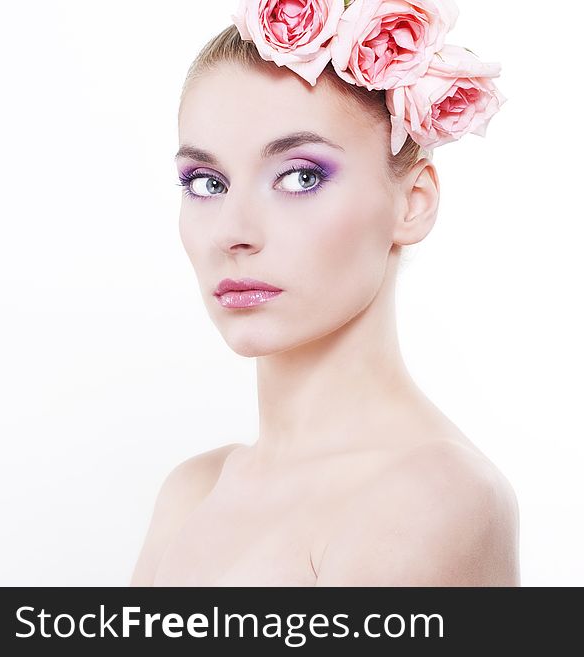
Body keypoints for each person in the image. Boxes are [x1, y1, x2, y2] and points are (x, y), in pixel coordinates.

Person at [131, 1, 517, 586]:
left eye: (300, 176)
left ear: (412, 204)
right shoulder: (191, 493)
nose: (234, 232)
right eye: (206, 183)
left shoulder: (436, 493)